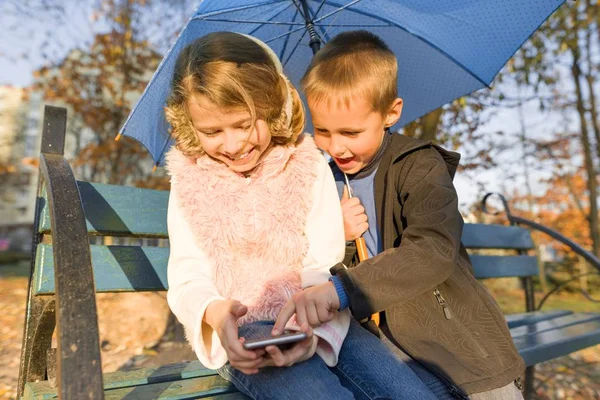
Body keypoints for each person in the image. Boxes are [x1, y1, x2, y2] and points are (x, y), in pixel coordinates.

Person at [164, 31, 437, 399]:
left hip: (320, 316)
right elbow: (187, 274)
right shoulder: (189, 182)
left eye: (244, 124)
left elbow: (322, 259)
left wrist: (313, 330)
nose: (231, 145)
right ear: (189, 125)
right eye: (212, 131)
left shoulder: (306, 165)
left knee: (411, 394)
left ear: (274, 107)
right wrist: (212, 312)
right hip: (248, 328)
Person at [274, 30, 526, 400]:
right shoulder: (324, 181)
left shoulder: (419, 166)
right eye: (323, 130)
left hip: (454, 337)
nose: (336, 145)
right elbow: (312, 261)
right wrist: (334, 233)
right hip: (381, 343)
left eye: (351, 131)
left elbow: (432, 250)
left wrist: (344, 289)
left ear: (391, 113)